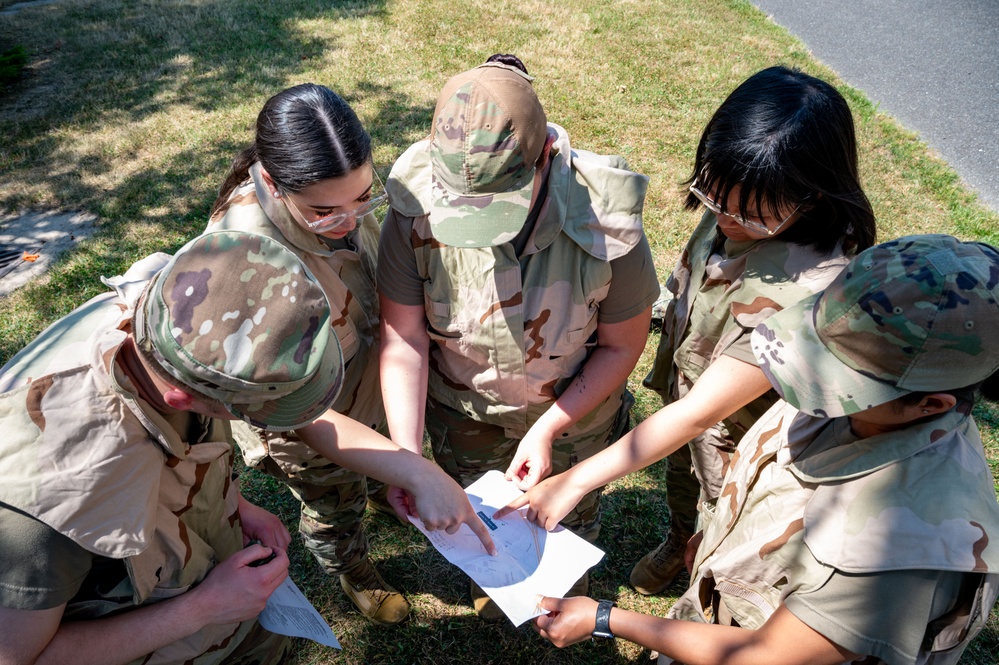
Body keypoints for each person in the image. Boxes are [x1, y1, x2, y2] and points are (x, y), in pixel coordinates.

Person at [0, 230, 494, 665]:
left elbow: (237, 430)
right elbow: (18, 656)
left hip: (219, 607)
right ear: (185, 398)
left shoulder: (181, 309)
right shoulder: (43, 504)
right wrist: (201, 609)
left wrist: (237, 505)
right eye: (266, 407)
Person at [521, 235, 999, 665]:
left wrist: (605, 618)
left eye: (837, 382)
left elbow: (763, 657)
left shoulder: (906, 542)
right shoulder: (866, 401)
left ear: (931, 404)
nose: (803, 380)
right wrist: (717, 542)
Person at [377, 54, 659, 616]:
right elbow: (404, 340)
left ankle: (562, 585)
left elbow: (622, 344)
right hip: (465, 413)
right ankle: (498, 582)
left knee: (568, 514)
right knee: (476, 513)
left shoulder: (607, 220)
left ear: (546, 156)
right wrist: (408, 459)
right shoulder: (413, 209)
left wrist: (552, 427)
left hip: (576, 416)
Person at [631, 65, 877, 595]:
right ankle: (679, 539)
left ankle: (702, 584)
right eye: (713, 195)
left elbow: (704, 413)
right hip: (687, 394)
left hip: (741, 435)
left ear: (812, 195)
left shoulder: (816, 287)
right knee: (682, 477)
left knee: (726, 523)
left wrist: (574, 479)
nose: (724, 219)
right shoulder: (741, 198)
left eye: (750, 214)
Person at [205, 83, 409, 624]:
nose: (348, 221)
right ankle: (351, 566)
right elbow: (297, 414)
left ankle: (389, 490)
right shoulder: (245, 260)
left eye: (364, 198)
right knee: (333, 501)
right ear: (273, 183)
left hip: (366, 382)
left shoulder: (334, 191)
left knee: (386, 460)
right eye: (323, 212)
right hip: (308, 420)